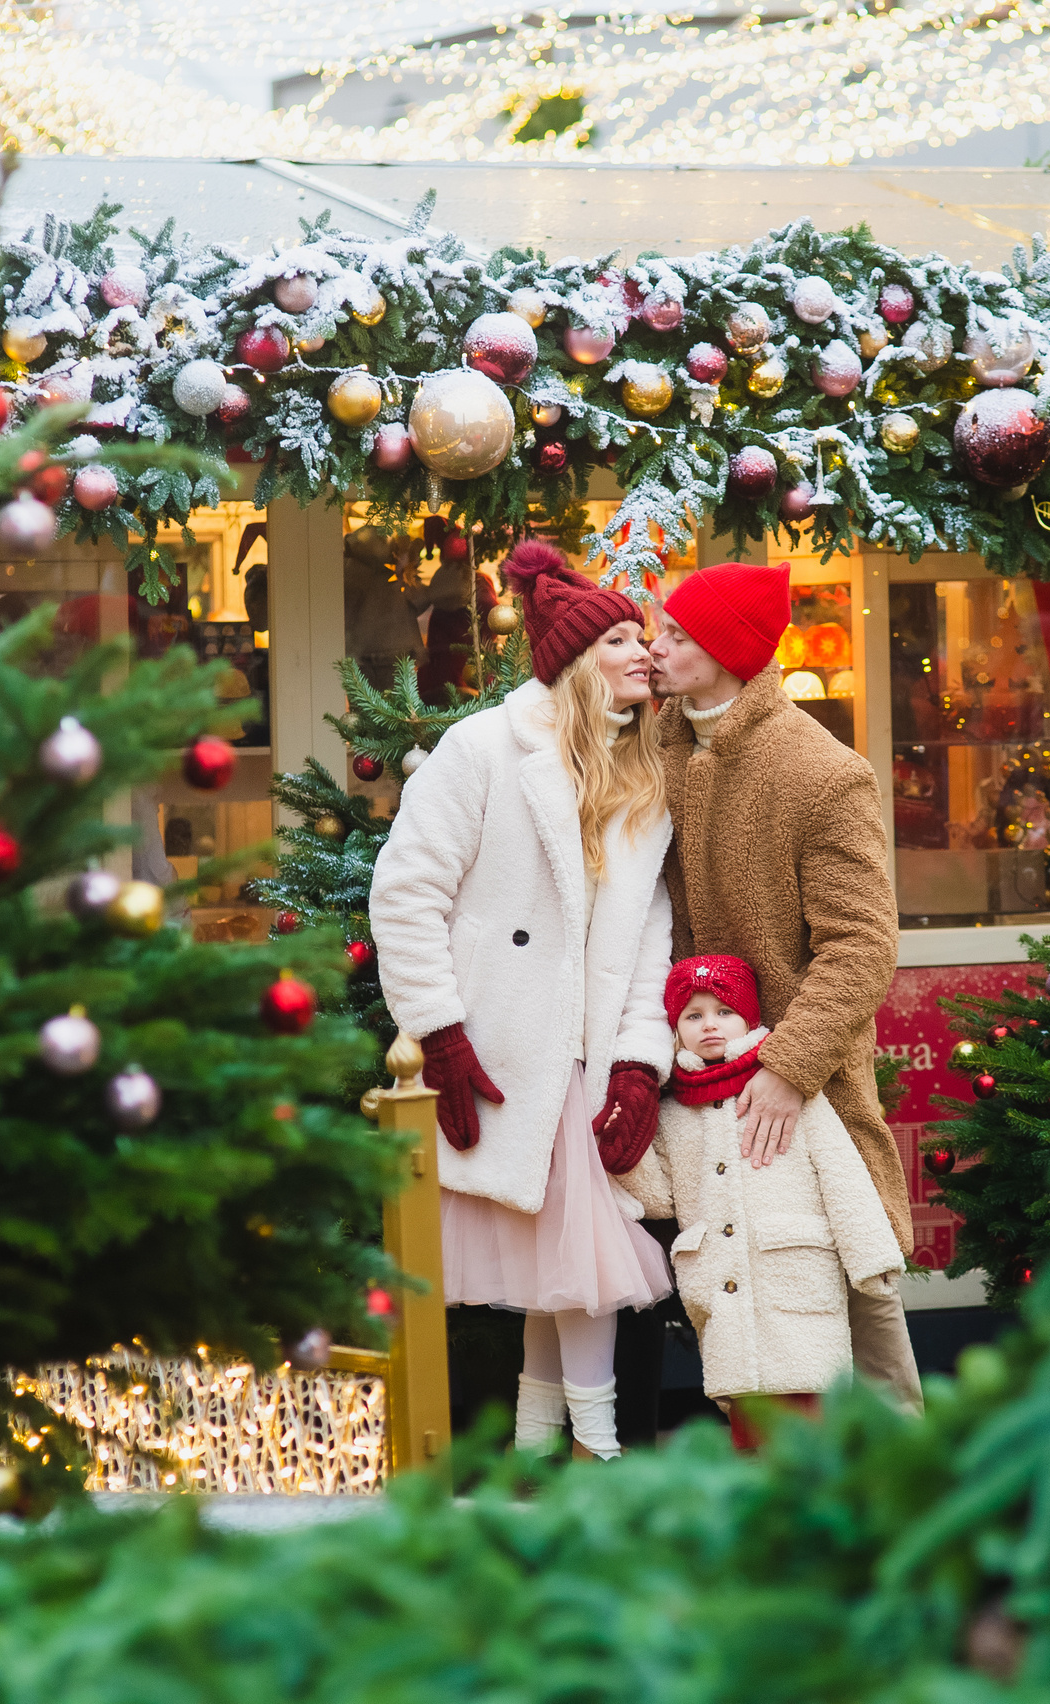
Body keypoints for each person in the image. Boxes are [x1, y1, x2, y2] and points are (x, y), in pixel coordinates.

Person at [370, 539, 674, 1460]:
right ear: (578, 661)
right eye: (623, 637)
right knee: (574, 1263)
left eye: (644, 636)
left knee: (569, 1265)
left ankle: (549, 1445)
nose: (644, 652)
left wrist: (636, 1059)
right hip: (503, 1047)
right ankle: (597, 1451)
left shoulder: (641, 776)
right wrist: (441, 1033)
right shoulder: (483, 749)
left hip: (582, 1055)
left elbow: (648, 933)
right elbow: (406, 891)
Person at [647, 563, 924, 1412]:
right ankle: (770, 1494)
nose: (656, 648)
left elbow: (862, 945)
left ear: (727, 653)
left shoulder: (821, 771)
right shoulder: (659, 742)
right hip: (700, 1082)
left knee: (854, 1283)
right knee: (738, 1307)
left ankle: (909, 1495)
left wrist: (788, 1066)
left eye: (678, 637)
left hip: (802, 1091)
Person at [624, 956, 903, 1449]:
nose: (709, 1023)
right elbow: (658, 1198)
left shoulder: (790, 1094)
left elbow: (842, 1176)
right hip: (722, 1292)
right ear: (676, 1030)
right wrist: (628, 1133)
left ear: (749, 1019)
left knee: (810, 1418)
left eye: (723, 1011)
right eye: (693, 1015)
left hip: (796, 1278)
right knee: (749, 1421)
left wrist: (872, 1258)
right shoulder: (673, 1114)